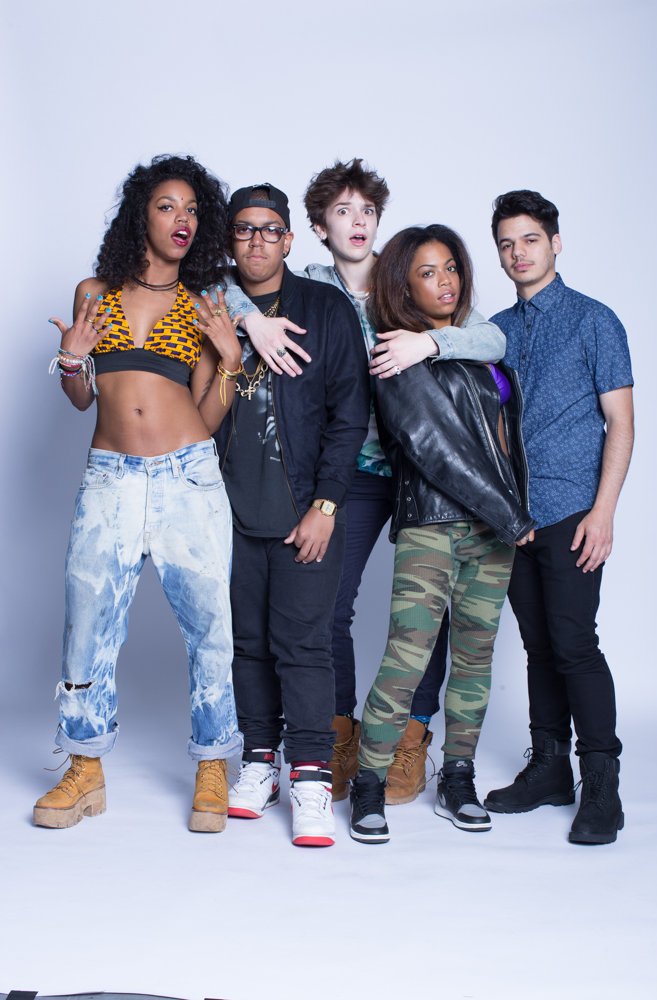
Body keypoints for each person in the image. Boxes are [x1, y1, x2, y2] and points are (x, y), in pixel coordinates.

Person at [224, 159, 506, 804]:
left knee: (431, 612)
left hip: (416, 472)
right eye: (343, 211)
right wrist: (251, 322)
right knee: (327, 607)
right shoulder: (310, 284)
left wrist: (428, 345)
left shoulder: (405, 278)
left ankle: (413, 735)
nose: (358, 222)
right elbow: (224, 284)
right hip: (342, 471)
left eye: (368, 211)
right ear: (316, 228)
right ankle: (338, 732)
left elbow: (491, 338)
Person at [34, 155, 243, 834]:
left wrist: (231, 362)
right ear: (140, 216)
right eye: (167, 206)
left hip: (189, 476)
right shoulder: (93, 293)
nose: (182, 220)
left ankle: (213, 763)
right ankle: (84, 768)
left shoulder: (203, 304)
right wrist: (72, 356)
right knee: (87, 623)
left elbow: (208, 415)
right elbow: (80, 398)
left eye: (193, 210)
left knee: (210, 627)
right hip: (111, 478)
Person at [348, 225, 535, 844]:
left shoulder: (470, 343)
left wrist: (510, 511)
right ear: (403, 285)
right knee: (407, 657)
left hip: (493, 532)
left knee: (475, 660)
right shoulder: (393, 354)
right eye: (427, 272)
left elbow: (503, 442)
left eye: (451, 267)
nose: (445, 281)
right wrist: (510, 515)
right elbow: (433, 447)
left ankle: (458, 778)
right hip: (433, 524)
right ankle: (369, 783)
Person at [216, 183, 369, 847]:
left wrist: (325, 505)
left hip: (305, 508)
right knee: (246, 643)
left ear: (289, 238)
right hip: (227, 510)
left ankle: (309, 776)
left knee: (304, 645)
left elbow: (349, 414)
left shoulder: (325, 308)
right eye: (243, 229)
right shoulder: (211, 304)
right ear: (230, 239)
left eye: (269, 229)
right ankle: (259, 763)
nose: (257, 240)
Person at [484, 190, 634, 845]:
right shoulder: (494, 331)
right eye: (506, 244)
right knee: (538, 646)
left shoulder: (594, 321)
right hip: (514, 518)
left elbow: (620, 423)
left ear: (555, 243)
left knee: (574, 644)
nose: (518, 253)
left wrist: (603, 513)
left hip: (573, 510)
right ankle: (548, 768)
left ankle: (601, 782)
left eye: (530, 240)